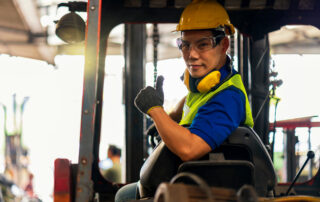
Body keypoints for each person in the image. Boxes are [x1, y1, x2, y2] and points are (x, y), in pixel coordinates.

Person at [115, 0, 253, 201]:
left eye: (203, 44)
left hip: (205, 190)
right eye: (185, 45)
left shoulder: (228, 97)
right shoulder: (206, 88)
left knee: (123, 196)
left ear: (224, 44)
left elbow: (190, 149)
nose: (191, 55)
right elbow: (191, 111)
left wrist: (155, 111)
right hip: (186, 181)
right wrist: (166, 119)